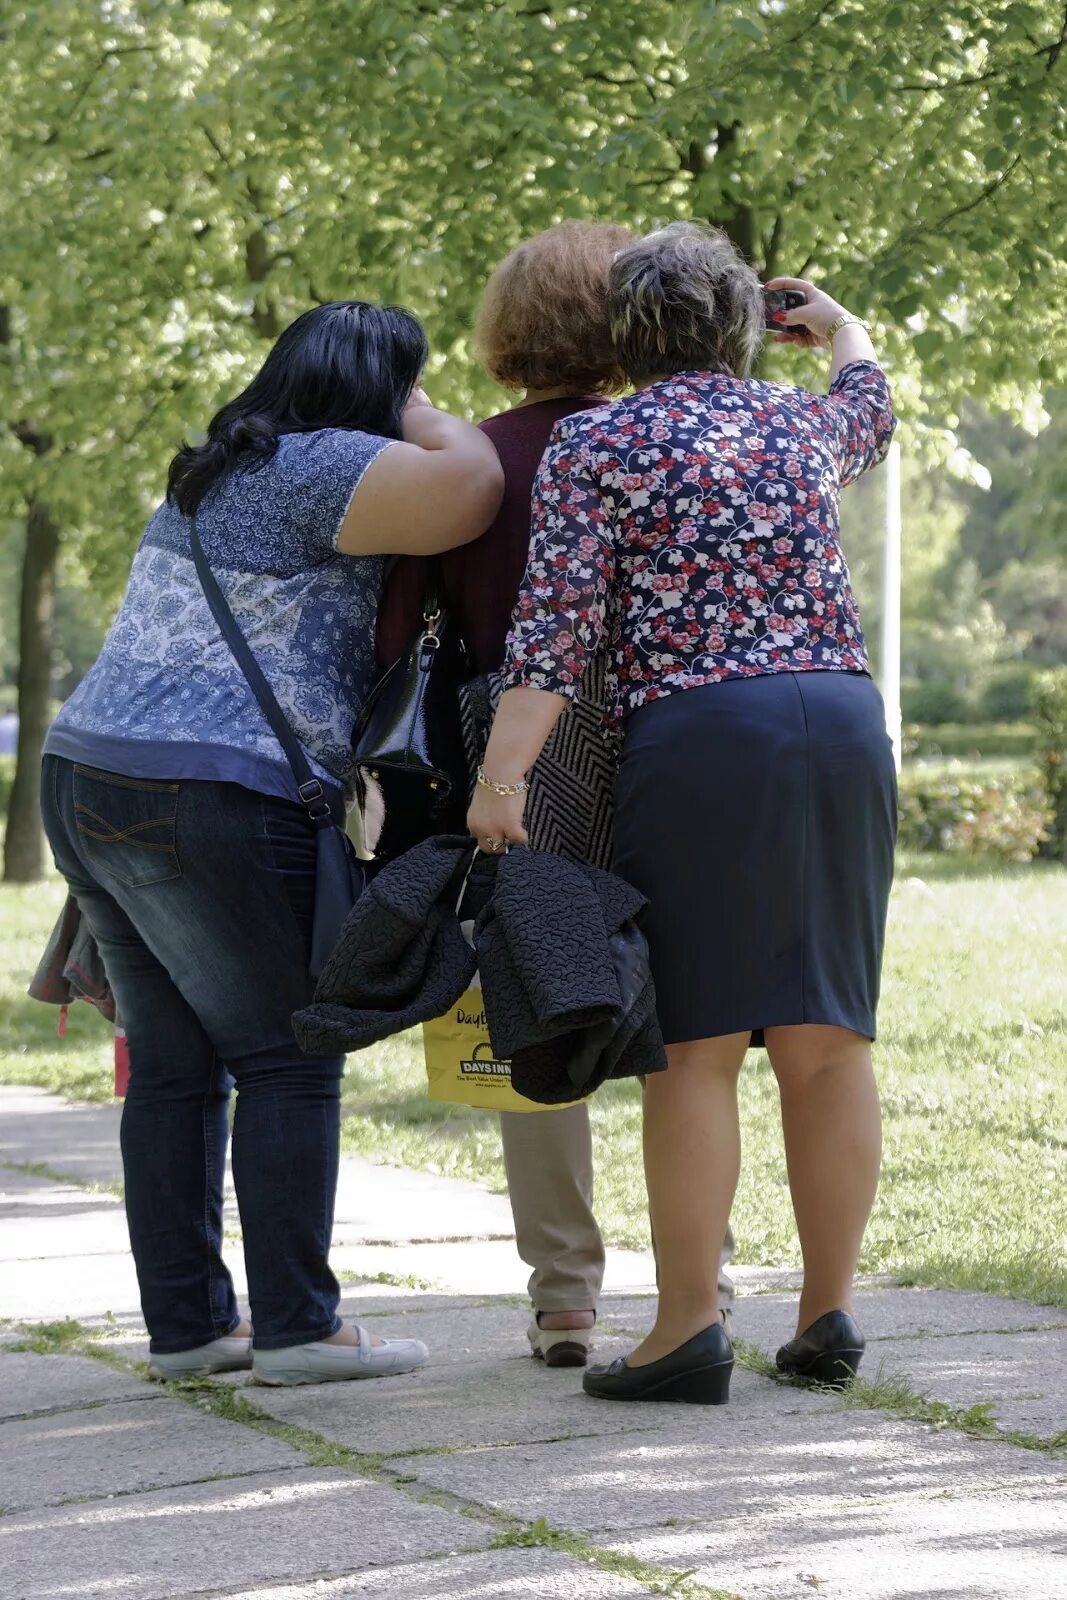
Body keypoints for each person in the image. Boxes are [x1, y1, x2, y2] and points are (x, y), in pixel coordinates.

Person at [468, 222, 897, 1405]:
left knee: (696, 1049)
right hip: (842, 725)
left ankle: (684, 1330)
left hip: (701, 737)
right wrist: (834, 323)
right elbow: (869, 390)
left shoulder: (598, 441)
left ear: (623, 333)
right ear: (741, 326)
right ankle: (825, 1316)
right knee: (823, 1040)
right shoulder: (801, 423)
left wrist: (501, 782)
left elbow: (550, 638)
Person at [40, 301, 503, 1386]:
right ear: (378, 385)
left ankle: (194, 1326)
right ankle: (301, 1325)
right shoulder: (324, 464)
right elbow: (475, 485)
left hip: (89, 770)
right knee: (290, 1053)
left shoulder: (219, 466)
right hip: (210, 790)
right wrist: (427, 413)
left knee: (172, 1067)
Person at [378, 221, 737, 1367]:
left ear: (506, 329)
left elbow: (401, 629)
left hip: (511, 746)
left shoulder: (470, 461)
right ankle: (701, 1274)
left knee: (540, 991)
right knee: (693, 1011)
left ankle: (565, 1292)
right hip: (667, 728)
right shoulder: (675, 442)